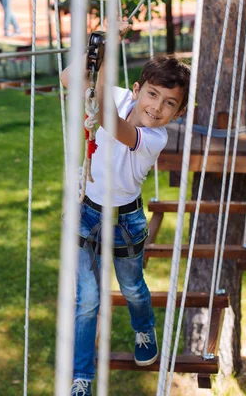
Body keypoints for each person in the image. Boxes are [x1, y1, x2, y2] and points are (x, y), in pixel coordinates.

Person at [60, 26, 190, 396]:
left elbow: (109, 123)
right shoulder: (117, 97)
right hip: (87, 212)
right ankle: (81, 375)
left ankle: (143, 326)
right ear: (136, 89)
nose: (156, 107)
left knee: (132, 287)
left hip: (127, 220)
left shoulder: (154, 137)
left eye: (169, 103)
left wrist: (103, 66)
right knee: (86, 299)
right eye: (152, 94)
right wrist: (95, 52)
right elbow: (70, 78)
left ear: (179, 113)